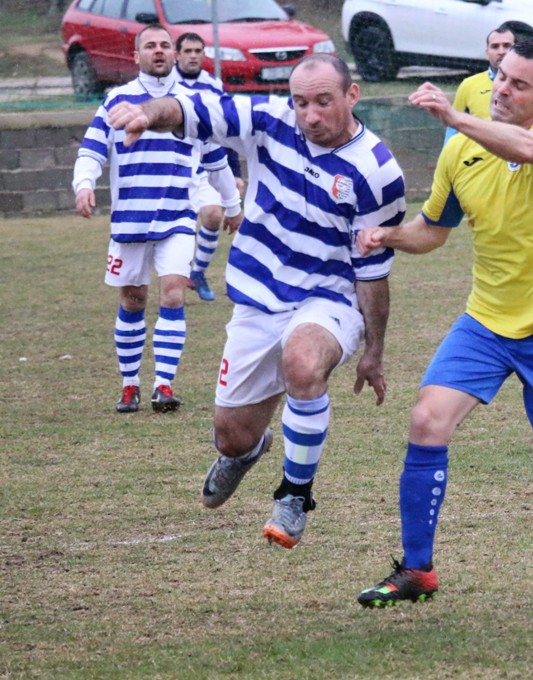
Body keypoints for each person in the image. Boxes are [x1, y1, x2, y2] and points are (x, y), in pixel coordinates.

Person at [106, 53, 405, 549]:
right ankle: (247, 452)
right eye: (302, 102)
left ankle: (294, 495)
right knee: (232, 436)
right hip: (257, 299)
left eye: (324, 101)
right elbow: (195, 109)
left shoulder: (377, 172)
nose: (310, 114)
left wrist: (374, 351)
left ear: (352, 96)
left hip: (328, 299)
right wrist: (150, 112)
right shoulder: (269, 122)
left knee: (303, 363)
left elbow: (373, 272)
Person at [354, 38, 533, 608]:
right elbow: (432, 232)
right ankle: (418, 571)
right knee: (427, 420)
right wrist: (387, 235)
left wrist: (455, 117)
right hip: (486, 321)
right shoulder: (460, 152)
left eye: (518, 84)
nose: (503, 89)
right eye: (500, 76)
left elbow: (530, 149)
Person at [73, 24, 241, 414]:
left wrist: (232, 206)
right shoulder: (117, 100)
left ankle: (163, 385)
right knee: (133, 300)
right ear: (137, 56)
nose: (160, 51)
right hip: (130, 220)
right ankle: (129, 385)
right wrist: (84, 184)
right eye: (150, 46)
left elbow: (217, 162)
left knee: (173, 293)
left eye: (165, 45)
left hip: (176, 218)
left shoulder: (191, 105)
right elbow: (92, 151)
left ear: (175, 54)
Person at [173, 32, 245, 301]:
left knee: (214, 216)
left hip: (208, 165)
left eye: (198, 51)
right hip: (176, 167)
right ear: (177, 54)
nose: (193, 56)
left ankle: (198, 272)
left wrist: (235, 174)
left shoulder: (213, 84)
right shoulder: (167, 83)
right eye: (188, 50)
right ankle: (169, 276)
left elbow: (225, 129)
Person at [444, 22, 533, 142]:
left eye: (506, 46)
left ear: (515, 49)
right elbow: (453, 127)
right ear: (487, 52)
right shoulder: (468, 85)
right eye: (495, 46)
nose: (501, 51)